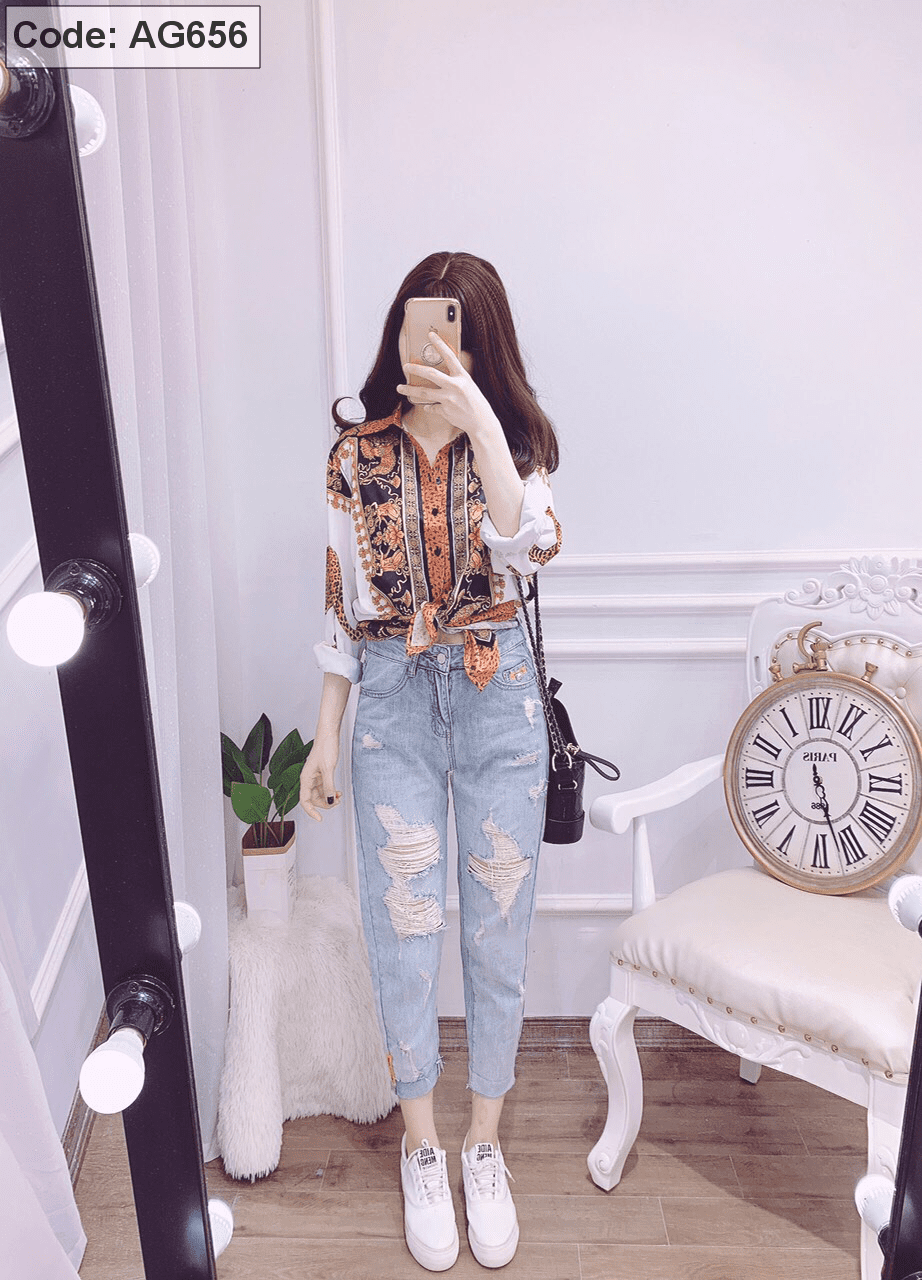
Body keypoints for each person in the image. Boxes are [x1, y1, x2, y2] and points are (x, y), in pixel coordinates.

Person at [300, 251, 561, 1272]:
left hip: (499, 696)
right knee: (403, 925)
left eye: (463, 336)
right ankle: (422, 1146)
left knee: (497, 929)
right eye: (431, 330)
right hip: (393, 697)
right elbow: (341, 598)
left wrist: (483, 422)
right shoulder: (354, 453)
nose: (445, 350)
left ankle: (484, 1145)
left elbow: (530, 546)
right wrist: (325, 735)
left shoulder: (518, 450)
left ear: (483, 343)